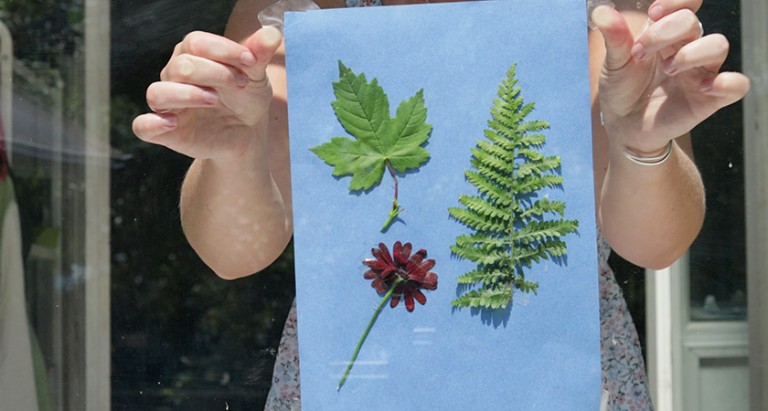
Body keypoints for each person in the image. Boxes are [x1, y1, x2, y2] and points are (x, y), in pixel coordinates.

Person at [132, 0, 750, 409]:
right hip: (363, 381)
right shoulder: (300, 8)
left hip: (561, 379)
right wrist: (234, 156)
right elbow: (233, 253)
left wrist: (645, 145)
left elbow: (656, 244)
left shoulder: (603, 11)